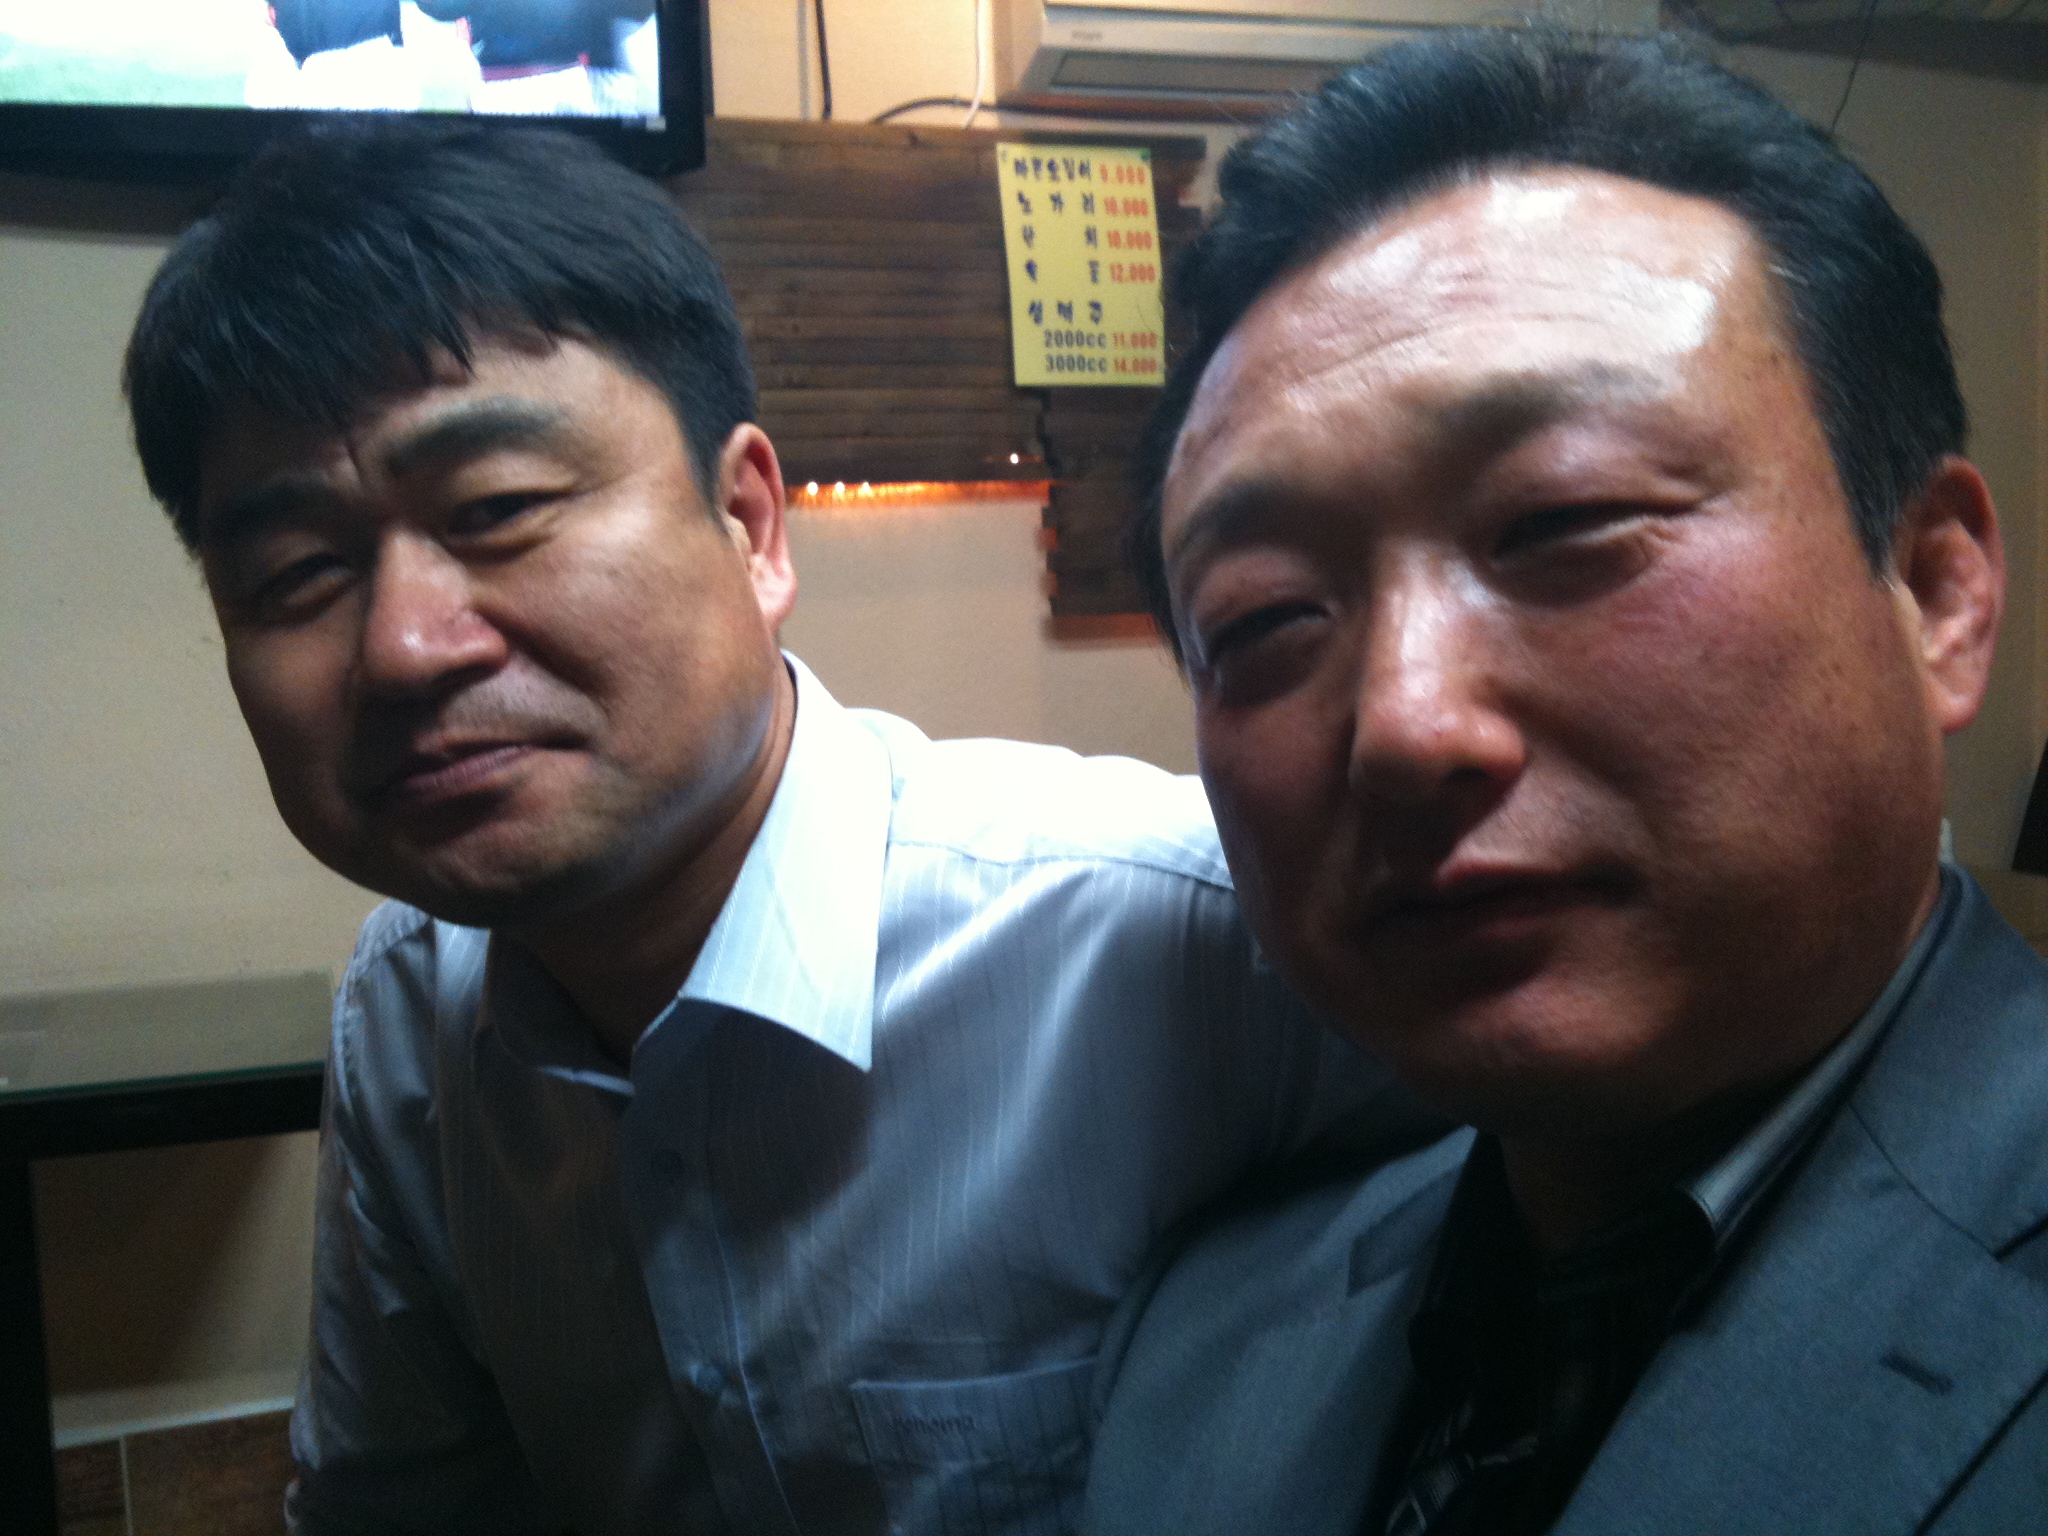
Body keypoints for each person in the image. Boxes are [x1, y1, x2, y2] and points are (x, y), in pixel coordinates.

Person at [122, 121, 1420, 1535]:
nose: (404, 646)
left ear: (749, 523)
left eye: (497, 509)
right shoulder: (408, 1011)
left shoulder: (1197, 939)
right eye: (294, 574)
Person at [1084, 28, 2047, 1536]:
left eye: (1566, 520)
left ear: (1934, 593)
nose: (1406, 725)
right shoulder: (1195, 1347)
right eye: (1265, 619)